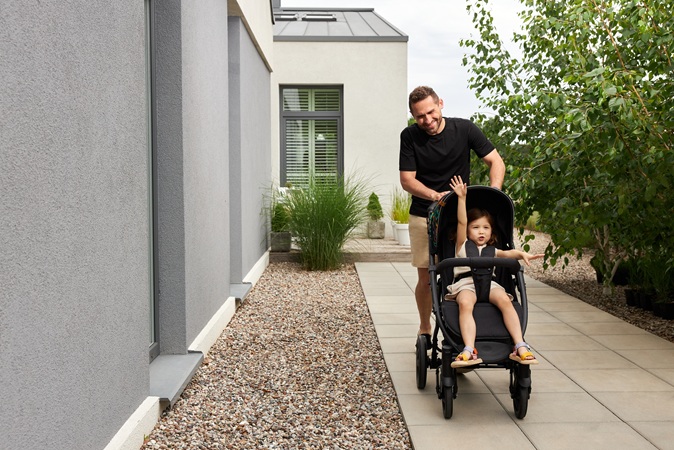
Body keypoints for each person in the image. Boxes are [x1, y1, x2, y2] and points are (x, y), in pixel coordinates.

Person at [399, 86, 506, 347]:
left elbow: (496, 162)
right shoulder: (410, 136)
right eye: (420, 116)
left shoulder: (464, 129)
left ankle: (463, 327)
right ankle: (425, 328)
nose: (427, 120)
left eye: (430, 112)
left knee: (465, 272)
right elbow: (407, 180)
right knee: (426, 278)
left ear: (441, 104)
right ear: (413, 116)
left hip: (461, 216)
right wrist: (436, 196)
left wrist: (494, 194)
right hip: (425, 214)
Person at [447, 175, 543, 367]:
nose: (481, 231)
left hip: (488, 284)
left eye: (486, 227)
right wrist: (462, 199)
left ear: (491, 231)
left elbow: (508, 254)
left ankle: (520, 345)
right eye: (475, 227)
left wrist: (522, 254)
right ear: (468, 231)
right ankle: (469, 349)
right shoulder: (462, 245)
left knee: (505, 300)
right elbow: (461, 222)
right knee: (465, 303)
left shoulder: (492, 250)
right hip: (466, 283)